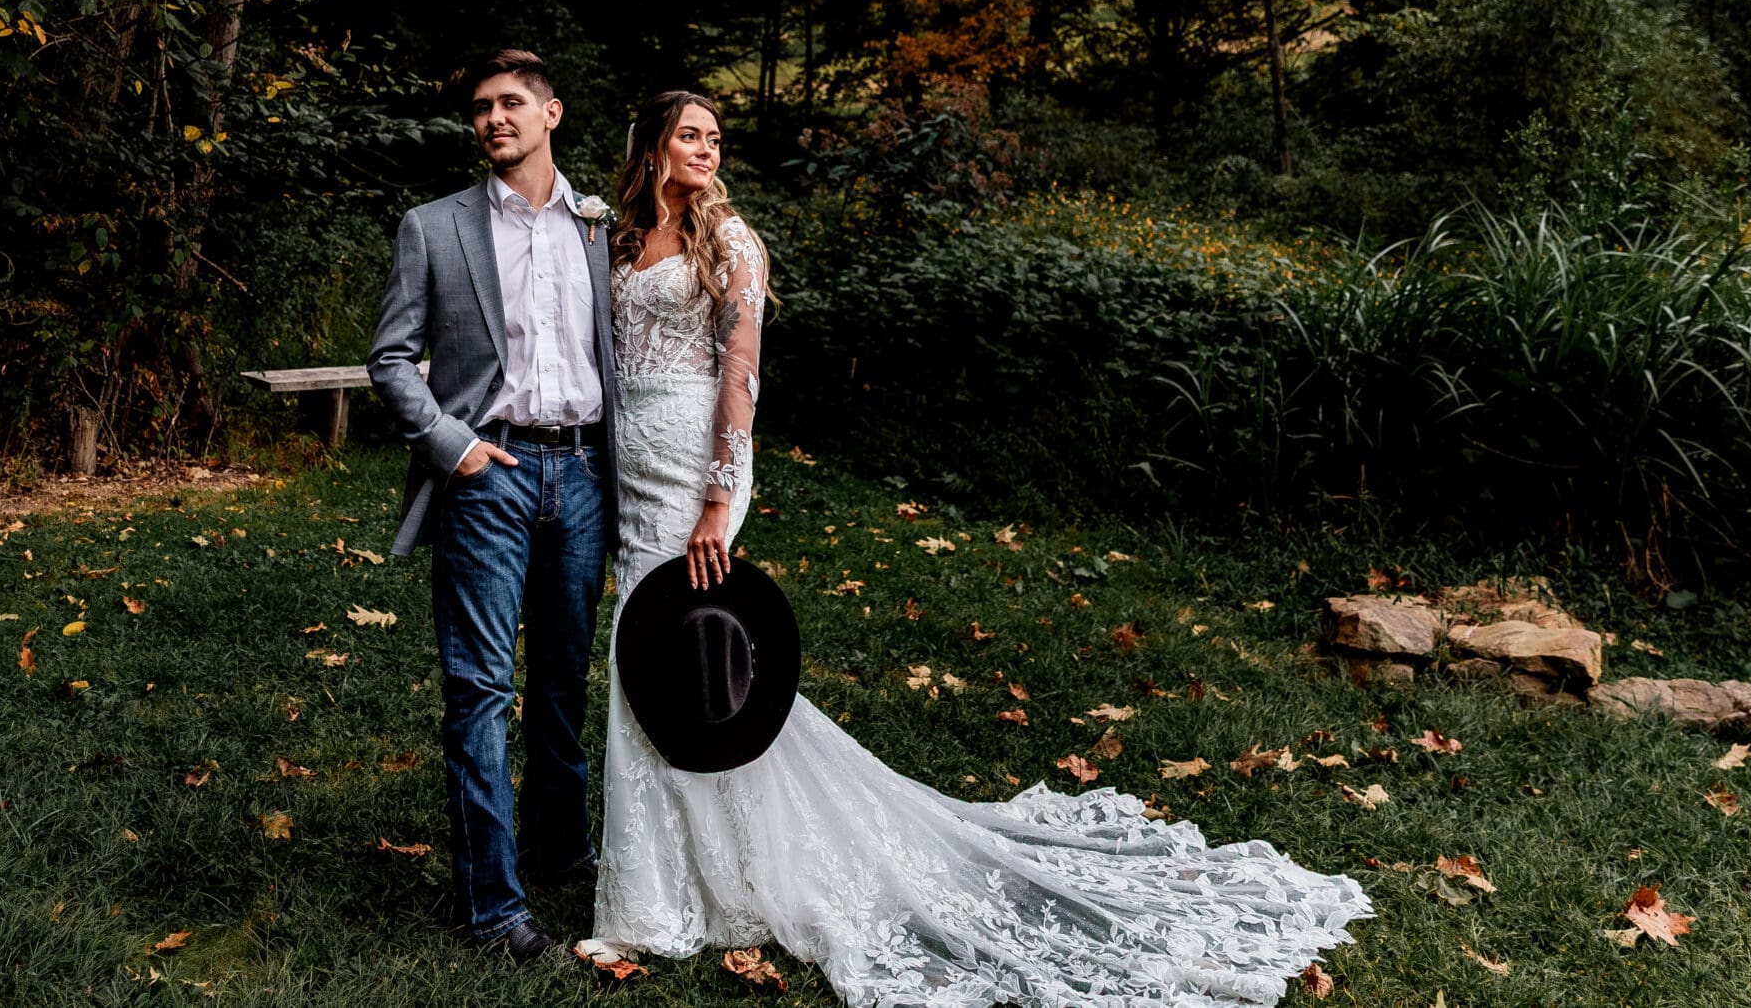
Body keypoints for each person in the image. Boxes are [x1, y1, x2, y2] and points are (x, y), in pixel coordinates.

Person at [583, 89, 1374, 1006]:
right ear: (650, 148)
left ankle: (665, 895)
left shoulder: (734, 243)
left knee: (689, 657)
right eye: (690, 135)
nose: (708, 149)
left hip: (692, 471)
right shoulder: (611, 244)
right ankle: (679, 872)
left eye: (717, 138)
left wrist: (721, 496)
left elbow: (742, 372)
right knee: (647, 661)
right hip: (628, 474)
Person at [369, 49, 619, 962]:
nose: (494, 118)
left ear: (553, 113)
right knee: (480, 691)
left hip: (585, 475)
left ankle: (565, 857)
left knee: (562, 685)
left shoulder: (601, 227)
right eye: (481, 107)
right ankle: (495, 909)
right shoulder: (433, 228)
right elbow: (391, 358)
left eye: (512, 102)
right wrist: (456, 446)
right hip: (490, 475)